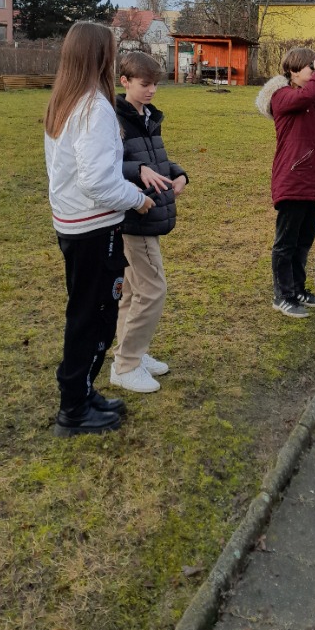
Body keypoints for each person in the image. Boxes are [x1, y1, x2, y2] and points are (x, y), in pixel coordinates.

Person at [44, 22, 155, 437]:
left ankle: (83, 392)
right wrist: (136, 198)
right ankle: (73, 409)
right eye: (111, 49)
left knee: (87, 313)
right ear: (100, 56)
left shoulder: (66, 99)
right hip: (91, 228)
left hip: (74, 222)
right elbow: (96, 180)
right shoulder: (93, 107)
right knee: (94, 317)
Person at [111, 51, 188, 393]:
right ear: (125, 81)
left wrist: (179, 173)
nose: (152, 90)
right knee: (152, 289)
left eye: (155, 84)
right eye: (145, 84)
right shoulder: (114, 119)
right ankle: (126, 365)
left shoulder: (148, 116)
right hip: (135, 216)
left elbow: (156, 158)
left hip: (150, 212)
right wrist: (137, 171)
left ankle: (130, 355)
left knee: (132, 292)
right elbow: (107, 165)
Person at [256, 47, 315, 318]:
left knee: (304, 241)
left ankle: (298, 290)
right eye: (311, 67)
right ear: (293, 71)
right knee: (286, 243)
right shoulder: (282, 96)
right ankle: (282, 295)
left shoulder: (314, 98)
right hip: (293, 179)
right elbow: (306, 96)